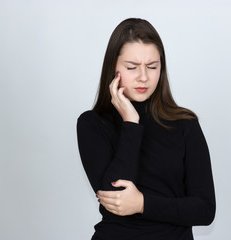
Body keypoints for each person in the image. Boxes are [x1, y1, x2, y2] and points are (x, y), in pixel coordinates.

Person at [77, 18, 216, 240]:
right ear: (113, 67)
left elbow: (205, 210)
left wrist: (142, 203)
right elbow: (115, 199)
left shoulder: (185, 123)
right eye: (132, 67)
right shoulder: (92, 124)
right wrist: (131, 123)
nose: (144, 77)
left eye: (152, 67)